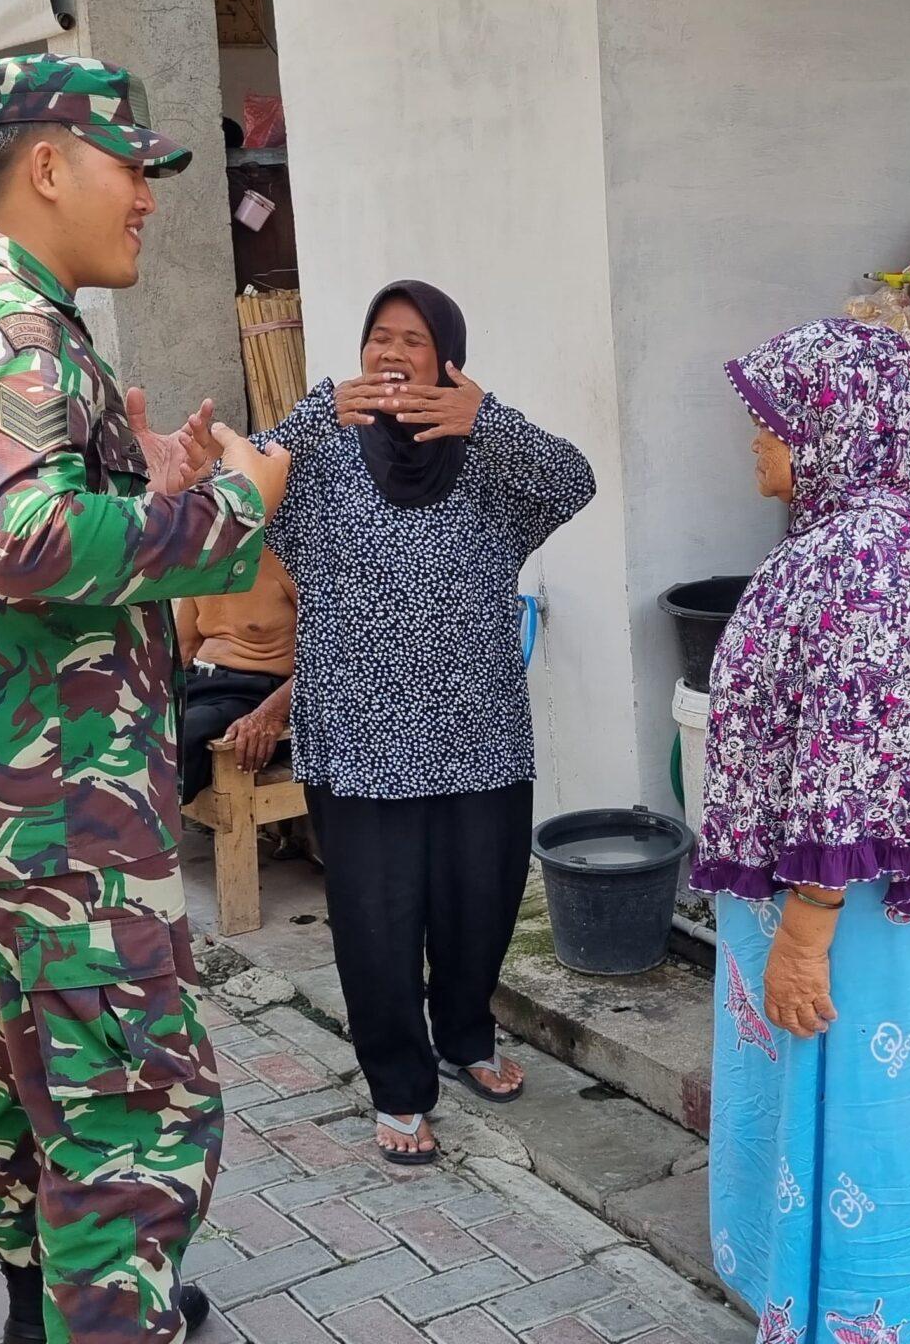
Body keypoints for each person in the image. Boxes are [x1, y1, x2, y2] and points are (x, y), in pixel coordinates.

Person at [0, 52, 290, 1344]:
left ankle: (39, 1306)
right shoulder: (12, 328)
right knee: (135, 1112)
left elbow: (8, 524)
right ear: (47, 166)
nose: (154, 197)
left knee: (28, 1073)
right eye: (135, 167)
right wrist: (230, 509)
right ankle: (107, 1308)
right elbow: (25, 537)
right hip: (57, 811)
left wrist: (146, 482)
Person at [256, 280, 594, 1166]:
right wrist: (313, 415)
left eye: (413, 340)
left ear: (447, 358)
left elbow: (577, 480)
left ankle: (467, 1039)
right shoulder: (323, 455)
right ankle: (399, 1088)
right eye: (378, 338)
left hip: (478, 729)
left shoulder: (485, 457)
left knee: (478, 908)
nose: (393, 353)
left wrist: (490, 419)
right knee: (377, 920)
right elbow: (239, 487)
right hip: (362, 739)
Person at [691, 318, 910, 1344]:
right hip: (814, 897)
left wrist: (807, 931)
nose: (755, 438)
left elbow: (854, 740)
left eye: (770, 418)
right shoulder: (844, 538)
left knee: (859, 1129)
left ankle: (878, 1320)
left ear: (830, 422)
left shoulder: (867, 550)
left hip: (837, 910)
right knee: (825, 1117)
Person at [171, 548, 297, 799]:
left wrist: (271, 713)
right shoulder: (203, 561)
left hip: (255, 692)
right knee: (134, 725)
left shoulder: (286, 561)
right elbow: (183, 649)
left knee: (183, 733)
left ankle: (142, 826)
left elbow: (327, 657)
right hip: (200, 682)